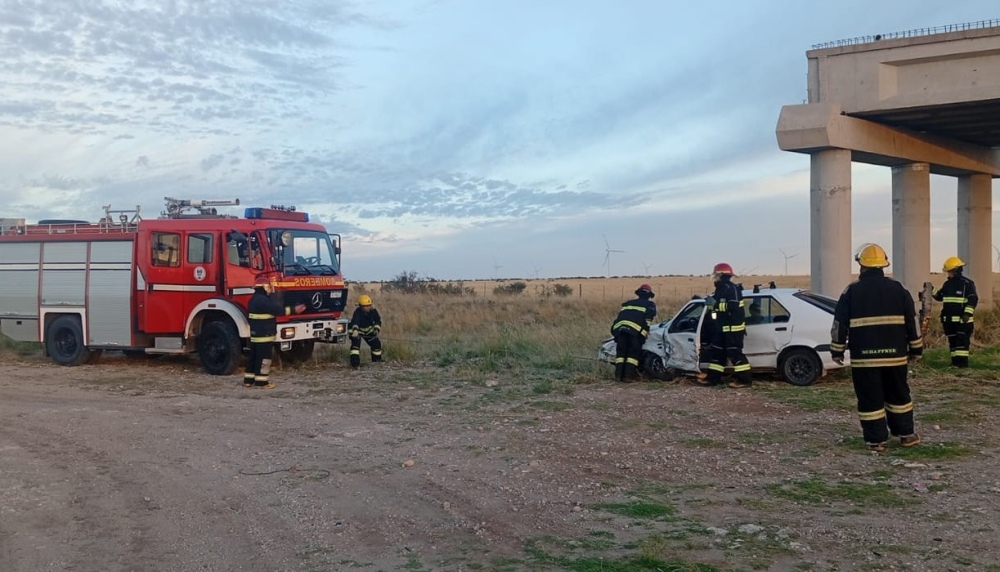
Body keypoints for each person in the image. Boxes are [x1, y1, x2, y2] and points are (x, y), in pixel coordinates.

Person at [830, 243, 922, 452]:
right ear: (883, 265)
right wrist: (916, 348)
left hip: (865, 359)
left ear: (862, 266)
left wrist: (837, 349)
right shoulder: (899, 289)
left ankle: (876, 440)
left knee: (870, 398)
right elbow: (912, 321)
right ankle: (906, 434)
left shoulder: (852, 291)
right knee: (899, 395)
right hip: (895, 357)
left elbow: (839, 324)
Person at [244, 276, 306, 389]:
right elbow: (277, 309)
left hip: (256, 335)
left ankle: (248, 380)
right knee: (264, 359)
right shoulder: (263, 300)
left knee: (254, 357)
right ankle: (261, 382)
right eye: (268, 286)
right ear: (264, 287)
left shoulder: (253, 299)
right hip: (265, 335)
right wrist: (294, 310)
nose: (270, 289)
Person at [697, 263, 752, 388]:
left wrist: (715, 304)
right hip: (722, 328)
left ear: (721, 275)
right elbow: (717, 308)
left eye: (716, 275)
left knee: (735, 353)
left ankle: (745, 380)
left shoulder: (732, 288)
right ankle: (713, 379)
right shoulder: (720, 289)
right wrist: (709, 304)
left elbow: (732, 306)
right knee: (717, 353)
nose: (714, 277)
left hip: (733, 329)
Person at [933, 256, 978, 368]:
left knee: (961, 343)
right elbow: (940, 296)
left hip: (963, 321)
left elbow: (973, 299)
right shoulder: (947, 284)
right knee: (953, 343)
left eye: (950, 271)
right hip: (949, 321)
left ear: (956, 270)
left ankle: (962, 365)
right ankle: (954, 364)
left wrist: (967, 313)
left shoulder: (967, 284)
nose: (948, 273)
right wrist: (930, 290)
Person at [610, 284, 657, 382]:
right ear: (649, 295)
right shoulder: (650, 305)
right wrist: (642, 337)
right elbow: (647, 322)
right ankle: (628, 377)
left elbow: (619, 318)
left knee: (621, 353)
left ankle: (618, 376)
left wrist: (615, 333)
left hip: (621, 330)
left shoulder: (628, 303)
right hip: (634, 332)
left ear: (639, 293)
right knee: (633, 354)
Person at [349, 294, 383, 368]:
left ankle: (377, 361)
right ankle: (355, 364)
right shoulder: (357, 312)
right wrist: (355, 331)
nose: (368, 307)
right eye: (366, 306)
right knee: (355, 347)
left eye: (369, 305)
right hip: (357, 331)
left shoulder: (373, 311)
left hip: (369, 331)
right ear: (361, 306)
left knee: (376, 343)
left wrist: (376, 329)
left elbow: (378, 321)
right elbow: (355, 322)